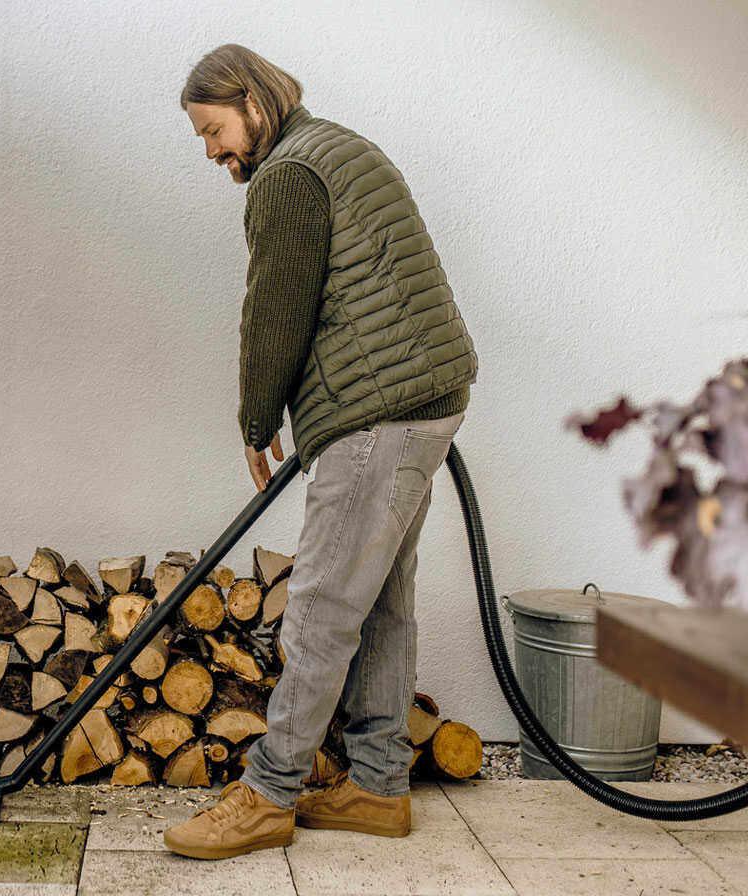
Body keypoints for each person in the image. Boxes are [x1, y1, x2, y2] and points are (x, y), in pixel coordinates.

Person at [164, 44, 478, 860]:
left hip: (379, 412)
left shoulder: (290, 175)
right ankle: (376, 784)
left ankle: (267, 795)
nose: (211, 151)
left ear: (249, 99)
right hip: (422, 400)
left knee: (322, 608)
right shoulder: (339, 146)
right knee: (379, 604)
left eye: (213, 129)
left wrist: (255, 418)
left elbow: (276, 307)